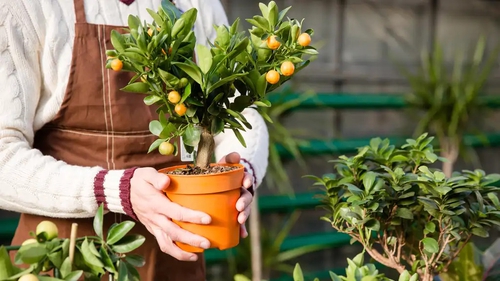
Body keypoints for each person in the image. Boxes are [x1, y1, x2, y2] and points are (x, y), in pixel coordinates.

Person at [0, 0, 269, 280]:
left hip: (175, 259)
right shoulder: (28, 6)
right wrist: (116, 190)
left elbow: (239, 107)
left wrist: (242, 173)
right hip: (64, 255)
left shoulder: (197, 4)